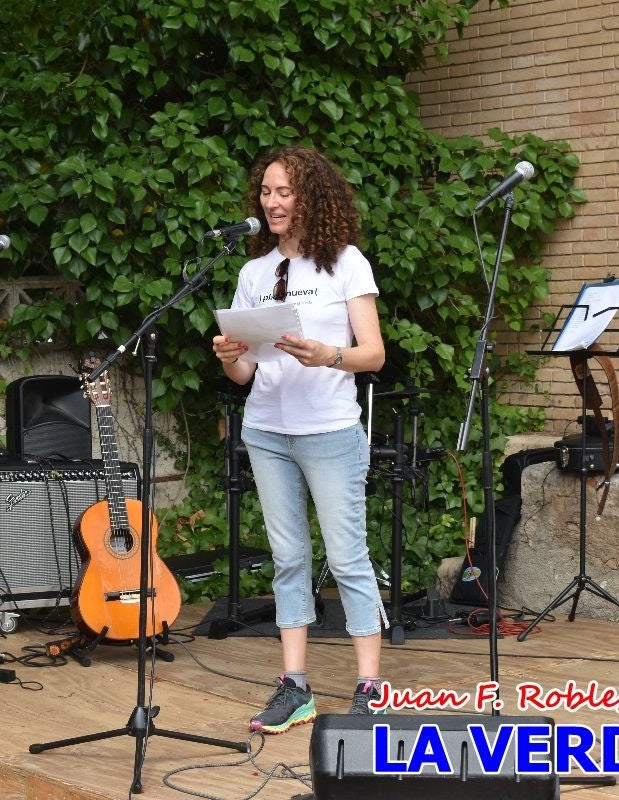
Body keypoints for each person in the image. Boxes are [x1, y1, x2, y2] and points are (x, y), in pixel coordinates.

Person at [212, 146, 387, 734]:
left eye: (283, 192)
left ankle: (369, 688)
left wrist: (326, 354)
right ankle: (296, 688)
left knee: (346, 558)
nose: (271, 201)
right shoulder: (252, 272)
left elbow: (374, 354)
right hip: (265, 430)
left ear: (312, 196)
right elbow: (245, 375)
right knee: (288, 558)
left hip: (330, 431)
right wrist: (230, 356)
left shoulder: (346, 263)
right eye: (265, 191)